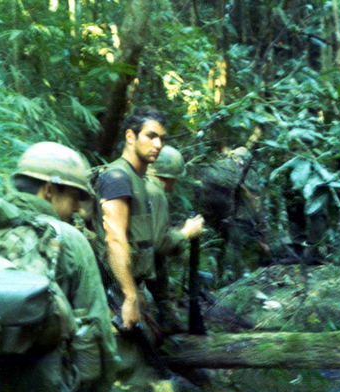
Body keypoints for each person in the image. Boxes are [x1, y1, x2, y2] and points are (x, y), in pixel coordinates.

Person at [0, 141, 118, 392]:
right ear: (48, 191)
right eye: (73, 197)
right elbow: (98, 328)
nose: (78, 209)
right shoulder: (69, 238)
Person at [95, 106, 167, 331]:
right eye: (151, 136)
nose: (158, 145)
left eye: (162, 139)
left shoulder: (138, 179)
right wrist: (129, 297)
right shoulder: (118, 177)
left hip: (127, 287)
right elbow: (115, 239)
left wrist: (137, 290)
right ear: (130, 136)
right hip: (110, 292)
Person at [145, 145, 205, 335]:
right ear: (170, 177)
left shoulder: (139, 183)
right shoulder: (154, 192)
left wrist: (177, 231)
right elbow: (160, 244)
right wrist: (187, 233)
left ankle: (167, 318)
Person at [197, 146, 271, 281]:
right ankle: (232, 280)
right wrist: (262, 232)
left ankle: (218, 280)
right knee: (234, 252)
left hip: (216, 219)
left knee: (218, 250)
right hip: (238, 221)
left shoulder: (218, 168)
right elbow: (254, 201)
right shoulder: (249, 174)